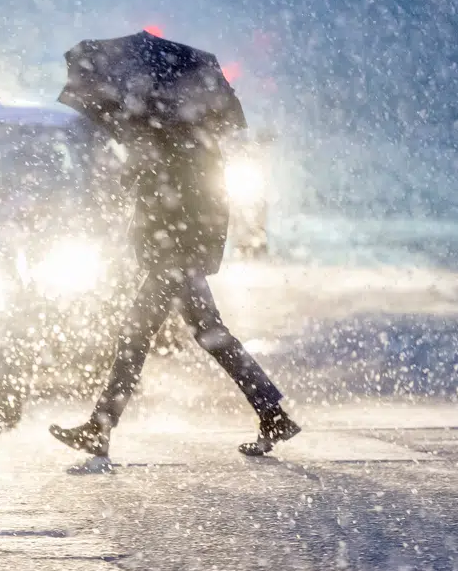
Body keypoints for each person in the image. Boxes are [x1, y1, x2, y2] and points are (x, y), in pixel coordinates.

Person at [50, 121, 300, 458]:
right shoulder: (187, 136)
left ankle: (100, 427)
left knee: (136, 337)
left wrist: (138, 170)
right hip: (179, 257)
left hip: (173, 258)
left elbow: (174, 200)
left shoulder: (172, 139)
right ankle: (272, 414)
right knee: (210, 336)